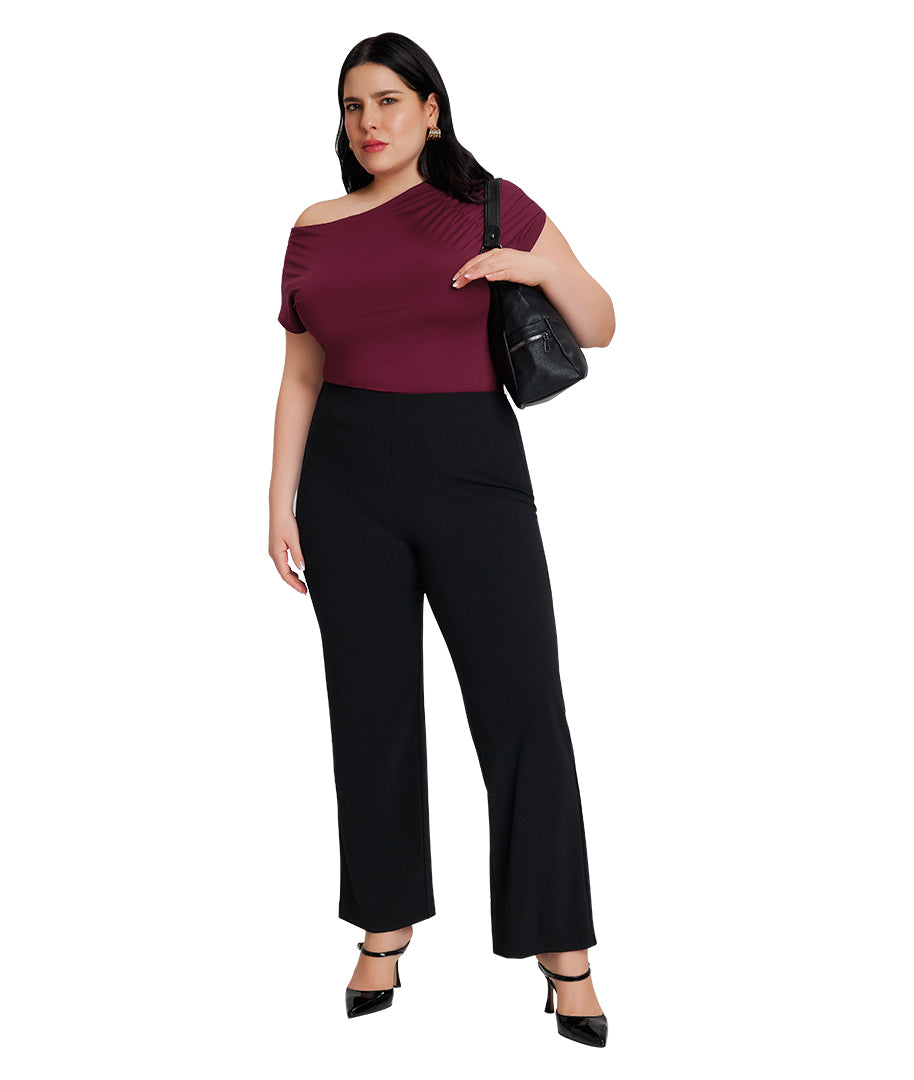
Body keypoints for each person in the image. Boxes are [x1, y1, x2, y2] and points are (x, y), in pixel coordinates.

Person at [268, 32, 615, 1047]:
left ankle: (563, 948)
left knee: (522, 707)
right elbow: (300, 372)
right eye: (352, 106)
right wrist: (280, 501)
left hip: (472, 472)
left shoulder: (492, 204)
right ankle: (383, 926)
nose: (369, 122)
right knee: (368, 710)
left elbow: (602, 322)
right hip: (343, 485)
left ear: (430, 108)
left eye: (388, 100)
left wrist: (528, 266)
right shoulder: (313, 228)